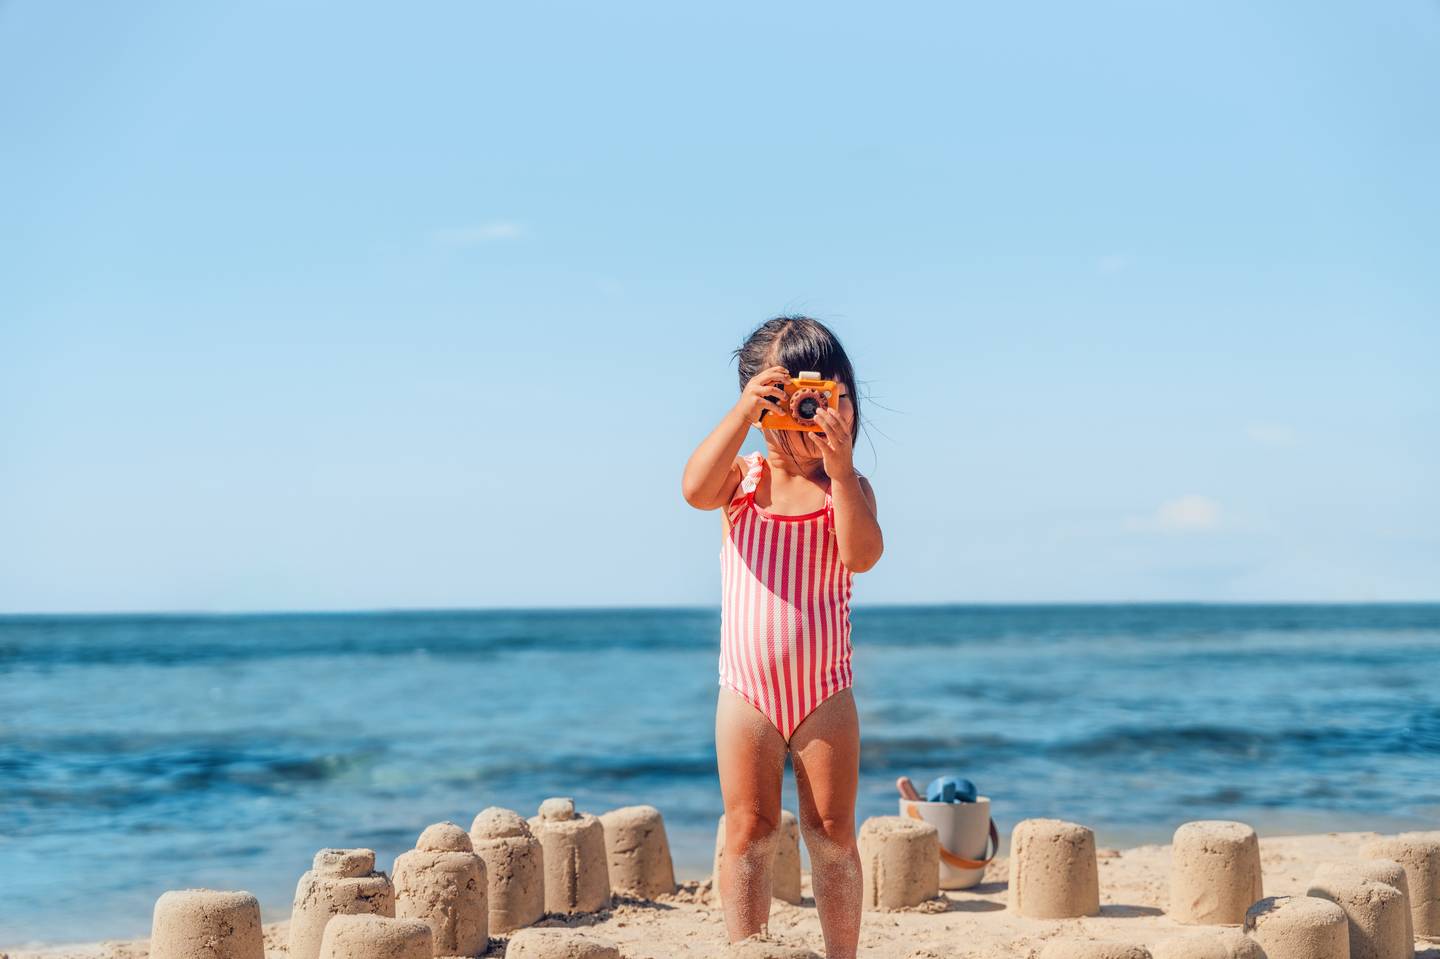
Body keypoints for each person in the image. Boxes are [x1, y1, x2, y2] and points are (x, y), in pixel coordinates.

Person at [681, 315, 883, 959]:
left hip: (824, 691)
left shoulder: (844, 489)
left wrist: (843, 471)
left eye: (833, 395)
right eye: (791, 394)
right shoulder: (739, 482)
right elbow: (692, 491)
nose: (815, 408)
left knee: (831, 834)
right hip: (746, 690)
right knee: (747, 829)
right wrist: (741, 415)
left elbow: (861, 556)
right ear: (761, 400)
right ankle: (749, 950)